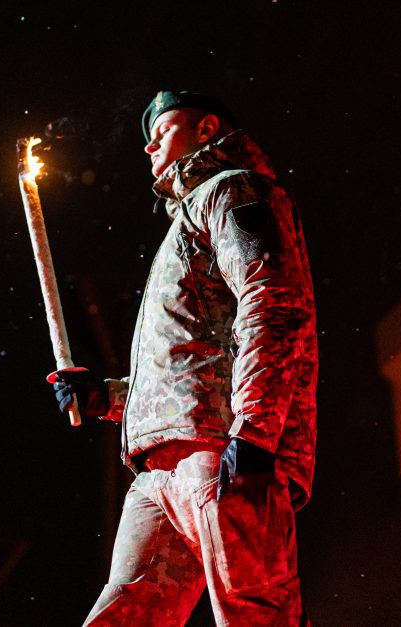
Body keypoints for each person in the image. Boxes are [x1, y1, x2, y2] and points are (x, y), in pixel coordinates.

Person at [50, 90, 318, 626]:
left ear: (206, 129)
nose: (148, 143)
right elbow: (194, 364)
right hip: (160, 472)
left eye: (163, 127)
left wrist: (257, 433)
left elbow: (274, 302)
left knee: (253, 618)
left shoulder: (234, 191)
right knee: (124, 616)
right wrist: (108, 396)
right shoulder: (185, 221)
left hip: (224, 451)